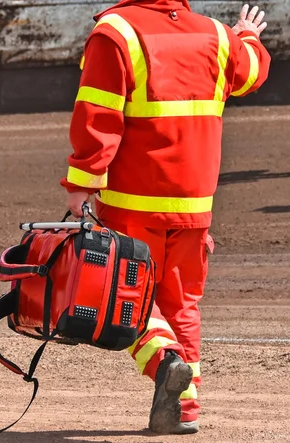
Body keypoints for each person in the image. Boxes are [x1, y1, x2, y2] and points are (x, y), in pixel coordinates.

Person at [62, 0, 270, 434]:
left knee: (122, 299)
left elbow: (97, 119)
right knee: (181, 305)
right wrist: (245, 35)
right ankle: (184, 409)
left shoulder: (116, 32)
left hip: (132, 201)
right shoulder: (214, 35)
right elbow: (253, 70)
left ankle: (166, 362)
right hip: (194, 204)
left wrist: (82, 186)